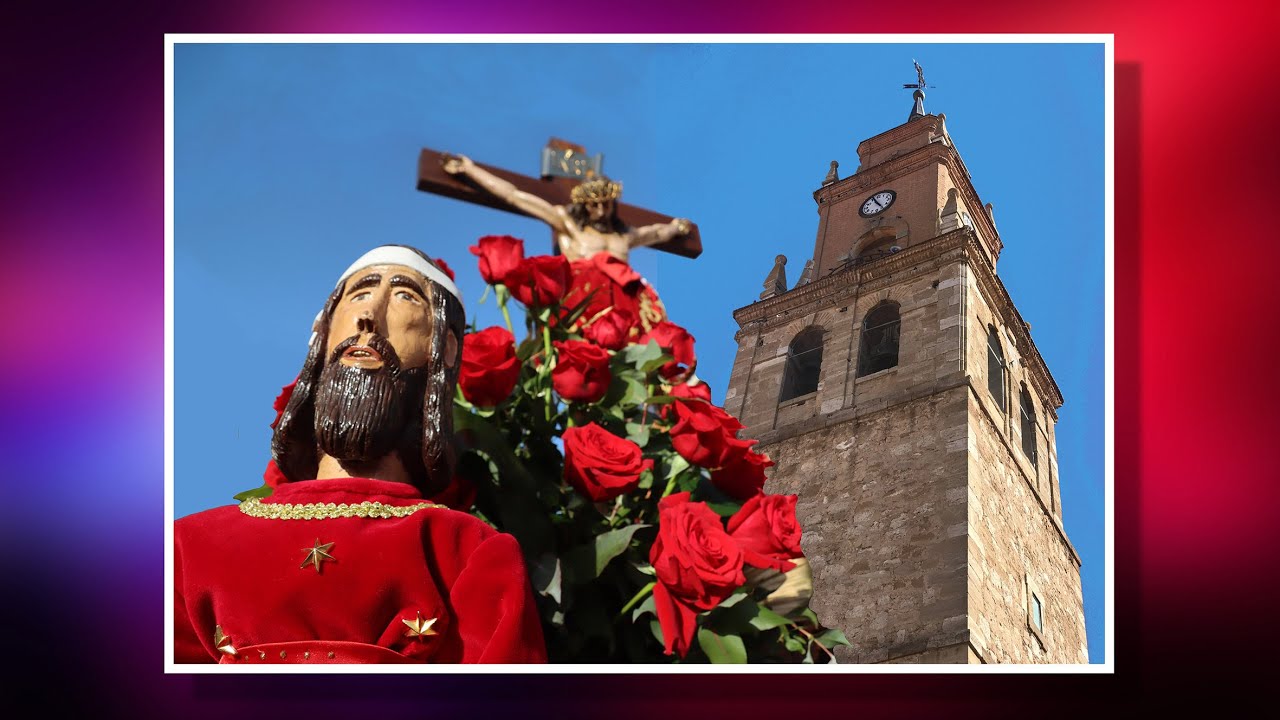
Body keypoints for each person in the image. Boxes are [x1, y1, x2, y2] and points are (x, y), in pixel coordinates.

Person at [173, 245, 547, 664]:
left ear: (444, 348)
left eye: (405, 295)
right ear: (322, 334)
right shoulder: (188, 548)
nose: (369, 315)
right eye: (359, 293)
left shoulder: (467, 552)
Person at [442, 153, 692, 263]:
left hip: (623, 315)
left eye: (606, 204)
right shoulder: (566, 222)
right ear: (584, 205)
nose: (602, 212)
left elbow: (658, 233)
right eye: (595, 205)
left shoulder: (623, 236)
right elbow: (513, 195)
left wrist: (677, 227)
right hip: (579, 306)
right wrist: (470, 170)